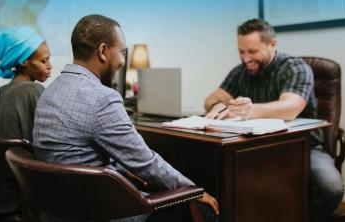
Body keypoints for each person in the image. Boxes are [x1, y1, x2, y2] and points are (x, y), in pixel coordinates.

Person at [33, 14, 218, 222]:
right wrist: (194, 190)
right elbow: (146, 162)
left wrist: (124, 169)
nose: (122, 60)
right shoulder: (102, 98)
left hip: (58, 212)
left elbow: (77, 153)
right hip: (98, 213)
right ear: (103, 51)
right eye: (121, 52)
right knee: (203, 209)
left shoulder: (48, 92)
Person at [204, 19, 344, 222]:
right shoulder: (241, 71)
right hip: (254, 148)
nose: (245, 59)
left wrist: (251, 110)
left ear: (273, 44)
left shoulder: (296, 68)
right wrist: (218, 105)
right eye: (241, 52)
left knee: (330, 188)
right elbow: (210, 100)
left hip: (303, 147)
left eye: (252, 51)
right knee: (217, 177)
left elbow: (291, 108)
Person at [0, 26, 52, 222]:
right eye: (44, 61)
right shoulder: (34, 90)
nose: (50, 66)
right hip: (19, 198)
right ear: (24, 61)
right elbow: (50, 144)